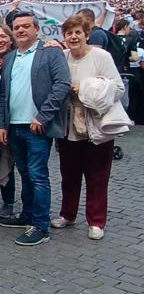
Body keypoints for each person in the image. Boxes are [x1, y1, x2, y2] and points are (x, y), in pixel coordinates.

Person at [0, 11, 70, 246]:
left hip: (37, 126)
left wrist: (43, 116)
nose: (20, 30)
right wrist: (3, 124)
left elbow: (62, 85)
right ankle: (27, 214)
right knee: (25, 174)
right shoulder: (9, 58)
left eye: (26, 26)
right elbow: (3, 94)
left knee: (38, 176)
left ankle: (40, 225)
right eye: (16, 27)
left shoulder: (50, 53)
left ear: (36, 29)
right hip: (15, 126)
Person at [53, 15, 125, 240]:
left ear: (87, 35)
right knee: (69, 173)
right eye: (69, 33)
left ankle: (96, 220)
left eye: (78, 33)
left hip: (95, 122)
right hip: (68, 124)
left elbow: (119, 88)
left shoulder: (101, 56)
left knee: (97, 175)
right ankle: (68, 214)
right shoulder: (62, 57)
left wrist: (86, 89)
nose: (73, 37)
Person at [0, 24, 18, 217]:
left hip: (18, 115)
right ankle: (8, 202)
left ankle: (29, 207)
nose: (0, 40)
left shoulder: (19, 57)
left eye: (3, 36)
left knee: (25, 164)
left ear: (10, 38)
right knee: (6, 161)